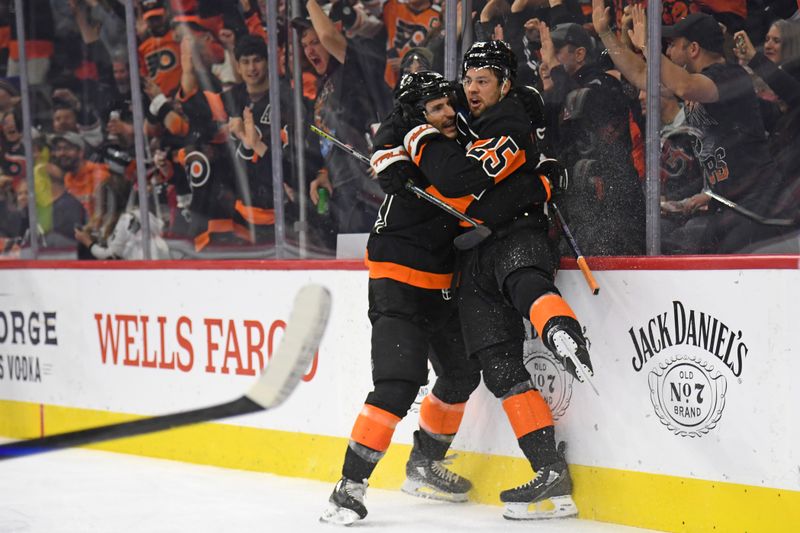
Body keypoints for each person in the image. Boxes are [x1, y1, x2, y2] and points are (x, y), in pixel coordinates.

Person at [391, 40, 593, 520]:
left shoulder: (508, 120)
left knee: (525, 281)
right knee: (501, 370)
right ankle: (549, 473)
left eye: (484, 80)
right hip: (472, 257)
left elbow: (461, 179)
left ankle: (562, 329)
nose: (472, 89)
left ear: (505, 84)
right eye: (469, 80)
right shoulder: (462, 122)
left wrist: (416, 140)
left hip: (514, 236)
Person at [319, 71, 481, 526]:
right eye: (436, 108)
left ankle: (425, 462)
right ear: (417, 117)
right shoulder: (410, 141)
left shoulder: (453, 137)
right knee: (397, 384)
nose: (449, 112)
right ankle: (348, 487)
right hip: (398, 279)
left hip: (443, 281)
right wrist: (389, 153)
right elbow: (394, 127)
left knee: (462, 373)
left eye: (450, 104)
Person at [592, 4, 784, 252]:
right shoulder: (688, 77)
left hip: (758, 201)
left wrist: (648, 45)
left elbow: (685, 86)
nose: (668, 50)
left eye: (673, 44)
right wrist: (605, 33)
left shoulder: (728, 75)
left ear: (693, 48)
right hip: (726, 202)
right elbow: (640, 75)